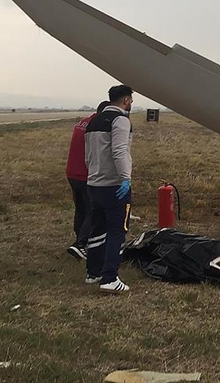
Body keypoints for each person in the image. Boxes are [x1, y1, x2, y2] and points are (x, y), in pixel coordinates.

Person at [84, 85, 134, 293]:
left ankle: (93, 273)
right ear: (126, 100)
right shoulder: (120, 120)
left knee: (97, 229)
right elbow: (120, 150)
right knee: (116, 232)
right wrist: (125, 178)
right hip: (114, 186)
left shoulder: (93, 121)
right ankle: (110, 278)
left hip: (94, 183)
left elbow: (88, 155)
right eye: (131, 99)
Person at [65, 101, 110, 261]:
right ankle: (81, 244)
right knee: (93, 210)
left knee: (81, 209)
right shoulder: (97, 125)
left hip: (72, 172)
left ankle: (78, 240)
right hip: (86, 174)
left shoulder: (82, 122)